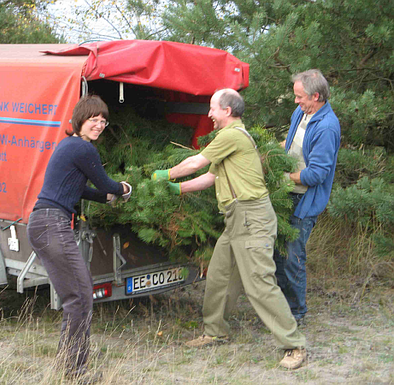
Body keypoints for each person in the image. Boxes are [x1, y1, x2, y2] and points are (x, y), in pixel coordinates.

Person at [152, 89, 307, 370]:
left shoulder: (232, 135)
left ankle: (294, 344)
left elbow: (196, 162)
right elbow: (210, 177)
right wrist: (177, 188)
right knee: (220, 277)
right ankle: (215, 332)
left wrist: (166, 173)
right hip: (237, 219)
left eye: (212, 108)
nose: (209, 114)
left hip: (252, 218)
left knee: (259, 283)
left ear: (227, 110)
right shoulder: (230, 140)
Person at [27, 95, 131, 382]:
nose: (98, 125)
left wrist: (106, 196)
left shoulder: (69, 146)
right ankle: (74, 371)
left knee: (78, 297)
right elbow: (108, 184)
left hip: (44, 224)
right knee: (80, 297)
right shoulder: (83, 149)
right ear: (80, 120)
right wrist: (122, 189)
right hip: (51, 225)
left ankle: (69, 366)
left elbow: (81, 189)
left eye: (102, 121)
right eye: (93, 120)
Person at [274, 70, 341, 324]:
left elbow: (317, 174)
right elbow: (291, 144)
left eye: (300, 97)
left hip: (304, 201)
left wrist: (285, 178)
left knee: (293, 258)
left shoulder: (326, 127)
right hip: (287, 195)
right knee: (277, 253)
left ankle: (296, 314)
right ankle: (280, 308)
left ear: (316, 96)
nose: (295, 101)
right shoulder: (300, 113)